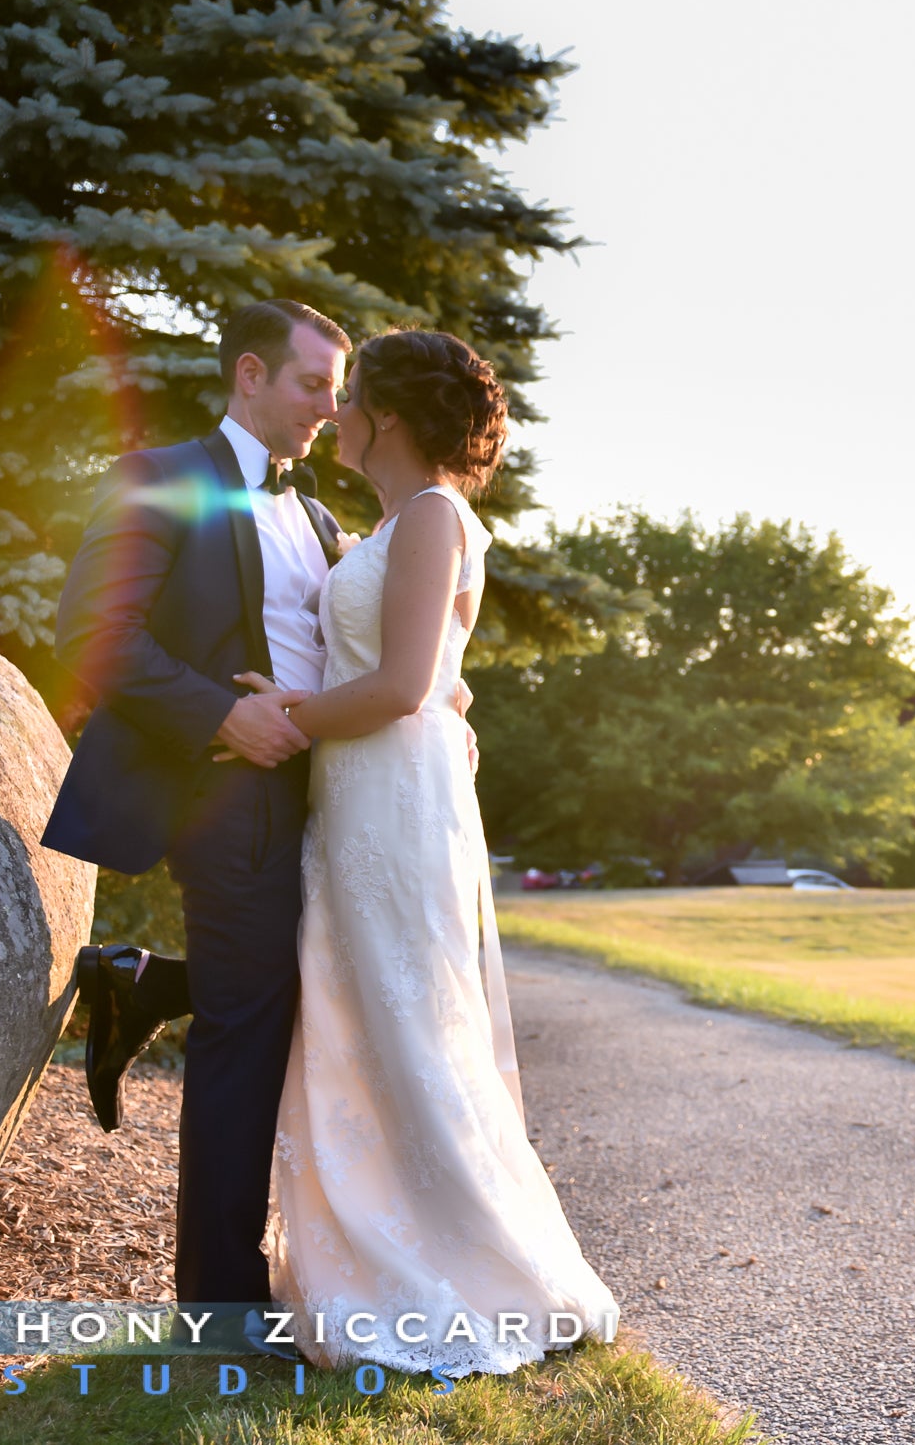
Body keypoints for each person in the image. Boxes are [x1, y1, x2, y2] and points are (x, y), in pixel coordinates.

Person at [247, 328, 620, 1370]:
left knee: (409, 1014)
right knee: (363, 1010)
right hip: (372, 789)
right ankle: (372, 1248)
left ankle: (461, 1264)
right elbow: (441, 679)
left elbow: (403, 681)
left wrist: (286, 714)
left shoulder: (431, 516)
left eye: (350, 393)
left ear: (390, 416)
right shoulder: (396, 522)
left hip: (389, 795)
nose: (335, 411)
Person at [42, 300, 352, 1305]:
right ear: (251, 374)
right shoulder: (161, 477)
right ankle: (220, 1299)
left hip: (332, 798)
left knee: (296, 995)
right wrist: (225, 718)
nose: (328, 411)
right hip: (227, 795)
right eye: (313, 385)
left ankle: (140, 981)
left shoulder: (317, 515)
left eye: (337, 394)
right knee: (249, 1033)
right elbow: (94, 632)